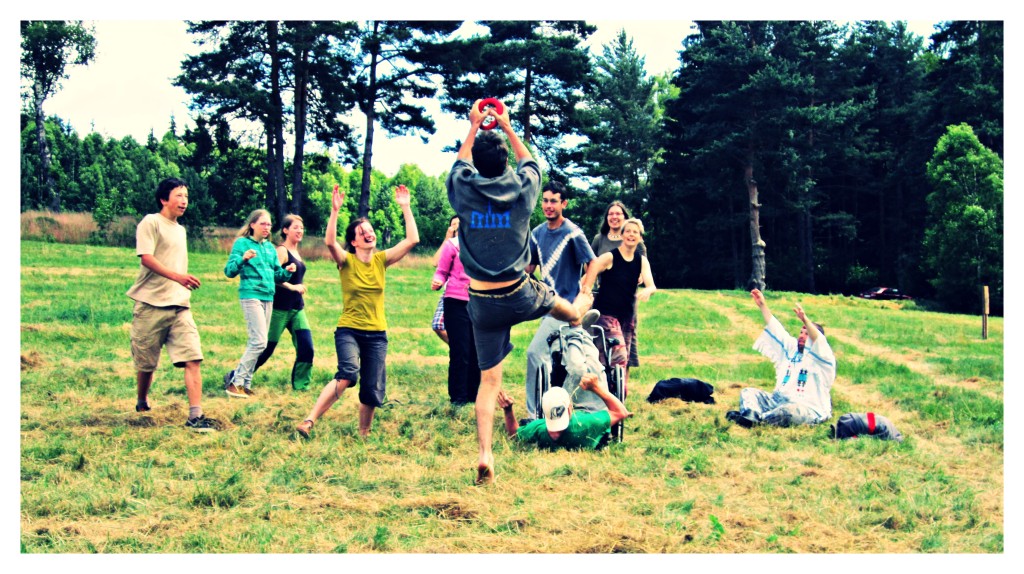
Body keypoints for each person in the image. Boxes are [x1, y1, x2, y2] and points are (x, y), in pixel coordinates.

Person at [446, 99, 597, 485]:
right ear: (504, 163)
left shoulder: (464, 190)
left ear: (477, 164)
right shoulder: (523, 188)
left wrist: (473, 125)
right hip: (520, 292)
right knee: (571, 312)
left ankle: (485, 454)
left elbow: (459, 165)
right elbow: (530, 162)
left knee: (488, 383)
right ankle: (586, 297)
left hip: (481, 301)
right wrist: (508, 126)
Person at [296, 184, 419, 438]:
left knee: (372, 387)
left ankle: (364, 434)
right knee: (348, 374)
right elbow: (330, 242)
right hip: (349, 330)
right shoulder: (346, 261)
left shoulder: (381, 260)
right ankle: (309, 421)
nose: (368, 234)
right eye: (362, 232)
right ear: (354, 241)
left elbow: (412, 240)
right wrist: (335, 211)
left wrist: (406, 207)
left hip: (377, 333)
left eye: (370, 230)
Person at [126, 177, 217, 432]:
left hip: (179, 305)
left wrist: (180, 283)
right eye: (179, 195)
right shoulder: (151, 222)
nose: (184, 201)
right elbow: (146, 258)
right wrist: (178, 277)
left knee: (193, 358)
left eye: (186, 196)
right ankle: (142, 401)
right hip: (150, 304)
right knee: (146, 364)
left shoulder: (181, 230)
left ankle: (195, 416)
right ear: (164, 199)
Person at [523, 181, 598, 421]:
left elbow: (593, 262)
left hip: (565, 308)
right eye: (545, 200)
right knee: (557, 360)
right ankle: (555, 407)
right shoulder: (537, 233)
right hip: (547, 307)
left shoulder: (573, 232)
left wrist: (585, 291)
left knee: (535, 354)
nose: (548, 205)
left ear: (563, 203)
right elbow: (529, 267)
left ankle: (535, 414)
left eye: (553, 201)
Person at [726, 289, 836, 428]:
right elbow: (776, 329)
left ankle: (754, 419)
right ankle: (751, 416)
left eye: (807, 333)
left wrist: (806, 320)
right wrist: (762, 305)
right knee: (748, 393)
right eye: (801, 332)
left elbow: (819, 340)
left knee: (788, 412)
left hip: (807, 408)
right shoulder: (792, 349)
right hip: (778, 400)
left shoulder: (823, 358)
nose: (802, 335)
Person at [223, 210, 297, 398]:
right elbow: (229, 271)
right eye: (263, 223)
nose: (267, 227)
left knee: (259, 343)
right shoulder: (242, 244)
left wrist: (287, 272)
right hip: (250, 295)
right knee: (259, 341)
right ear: (252, 225)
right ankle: (235, 382)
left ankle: (245, 385)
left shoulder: (270, 248)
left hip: (268, 296)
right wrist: (243, 259)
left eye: (269, 224)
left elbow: (277, 275)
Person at [580, 217, 656, 393]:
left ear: (640, 238)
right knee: (619, 355)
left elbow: (651, 284)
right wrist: (586, 289)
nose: (631, 234)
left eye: (635, 232)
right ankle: (613, 394)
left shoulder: (641, 261)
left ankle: (614, 396)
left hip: (627, 316)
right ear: (622, 235)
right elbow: (593, 267)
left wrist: (648, 290)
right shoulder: (610, 256)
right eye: (628, 231)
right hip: (606, 314)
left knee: (618, 358)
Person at [246, 214, 315, 391]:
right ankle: (236, 377)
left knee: (306, 347)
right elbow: (270, 275)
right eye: (295, 227)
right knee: (265, 350)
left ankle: (301, 386)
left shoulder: (296, 252)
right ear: (285, 230)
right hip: (279, 308)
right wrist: (292, 287)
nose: (300, 231)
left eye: (301, 228)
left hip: (297, 309)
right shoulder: (282, 251)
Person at [495, 372, 631, 450]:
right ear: (570, 408)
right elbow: (621, 412)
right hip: (590, 406)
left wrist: (508, 410)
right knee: (589, 367)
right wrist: (596, 388)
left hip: (574, 401)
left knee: (574, 370)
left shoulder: (539, 429)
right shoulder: (587, 424)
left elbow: (514, 434)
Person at [590, 200, 648, 374]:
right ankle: (603, 380)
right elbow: (590, 263)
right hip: (604, 297)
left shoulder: (636, 242)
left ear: (625, 218)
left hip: (626, 299)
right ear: (606, 218)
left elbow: (642, 267)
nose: (614, 217)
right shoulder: (599, 239)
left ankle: (622, 384)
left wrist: (641, 279)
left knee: (626, 344)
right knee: (603, 342)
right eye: (611, 214)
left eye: (618, 214)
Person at [431, 216, 481, 405]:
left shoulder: (483, 245)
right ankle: (458, 398)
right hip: (456, 302)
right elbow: (441, 271)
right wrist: (438, 281)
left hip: (479, 302)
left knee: (476, 351)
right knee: (460, 351)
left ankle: (473, 396)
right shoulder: (452, 245)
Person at [429, 215, 459, 346]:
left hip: (467, 293)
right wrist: (447, 238)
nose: (456, 226)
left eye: (459, 223)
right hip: (449, 292)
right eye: (453, 224)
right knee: (438, 325)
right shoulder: (449, 244)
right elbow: (435, 262)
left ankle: (465, 350)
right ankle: (460, 348)